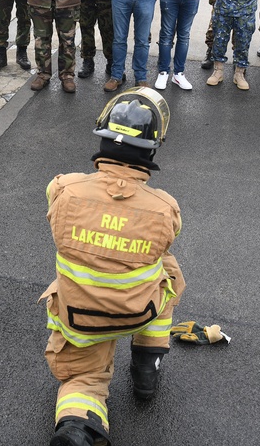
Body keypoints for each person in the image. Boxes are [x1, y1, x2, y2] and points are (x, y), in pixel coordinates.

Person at [42, 87, 183, 446]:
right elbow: (164, 242)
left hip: (79, 317)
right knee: (170, 273)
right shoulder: (164, 207)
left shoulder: (64, 188)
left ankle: (78, 427)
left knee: (84, 378)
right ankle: (147, 362)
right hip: (137, 312)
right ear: (152, 149)